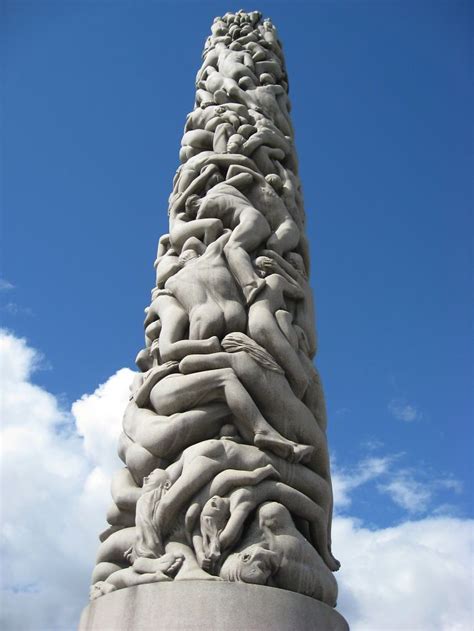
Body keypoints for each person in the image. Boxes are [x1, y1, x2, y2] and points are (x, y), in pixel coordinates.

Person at [220, 502, 338, 605]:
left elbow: (318, 513)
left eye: (263, 567)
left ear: (245, 557)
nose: (267, 574)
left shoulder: (268, 515)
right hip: (322, 594)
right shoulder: (285, 569)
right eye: (266, 577)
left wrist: (325, 552)